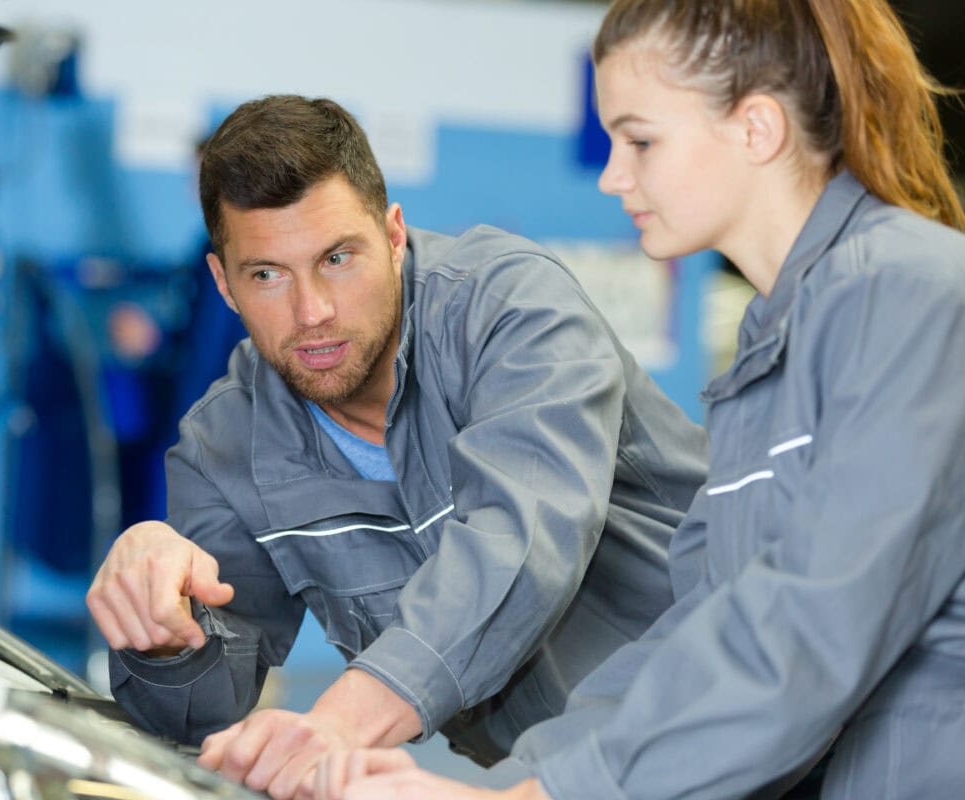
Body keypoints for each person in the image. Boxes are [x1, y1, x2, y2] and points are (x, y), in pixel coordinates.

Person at [314, 1, 965, 798]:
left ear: (757, 128)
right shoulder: (772, 349)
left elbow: (814, 630)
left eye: (641, 140)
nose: (613, 175)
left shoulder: (911, 297)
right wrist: (524, 786)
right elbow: (691, 638)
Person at [85, 94, 708, 800]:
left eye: (338, 258)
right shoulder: (224, 445)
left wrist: (338, 723)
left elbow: (524, 541)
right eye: (267, 274)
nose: (312, 311)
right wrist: (163, 625)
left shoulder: (509, 312)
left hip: (761, 738)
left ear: (393, 234)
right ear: (224, 285)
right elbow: (202, 710)